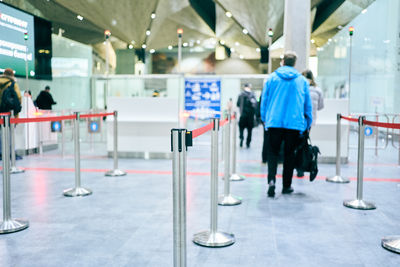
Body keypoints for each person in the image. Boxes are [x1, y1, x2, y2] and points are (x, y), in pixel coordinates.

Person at [260, 51, 312, 197]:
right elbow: (307, 105)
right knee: (289, 154)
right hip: (294, 124)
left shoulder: (272, 78)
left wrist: (264, 119)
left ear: (282, 61)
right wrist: (308, 122)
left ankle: (271, 181)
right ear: (294, 63)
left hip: (274, 122)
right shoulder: (302, 81)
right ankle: (286, 186)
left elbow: (264, 100)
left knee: (273, 153)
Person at [296, 69, 324, 177]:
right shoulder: (317, 90)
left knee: (297, 143)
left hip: (297, 121)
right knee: (305, 142)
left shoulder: (299, 88)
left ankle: (299, 167)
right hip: (310, 121)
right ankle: (303, 165)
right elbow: (321, 106)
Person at [0, 68, 23, 159]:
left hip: (0, 111)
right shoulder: (12, 84)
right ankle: (11, 153)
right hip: (9, 112)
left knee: (1, 132)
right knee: (10, 132)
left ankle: (1, 153)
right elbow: (18, 97)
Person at [236, 83, 257, 148]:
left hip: (243, 115)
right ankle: (248, 142)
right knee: (250, 130)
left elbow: (238, 104)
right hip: (250, 116)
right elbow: (255, 105)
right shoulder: (253, 95)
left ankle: (241, 137)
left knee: (241, 128)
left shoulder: (241, 94)